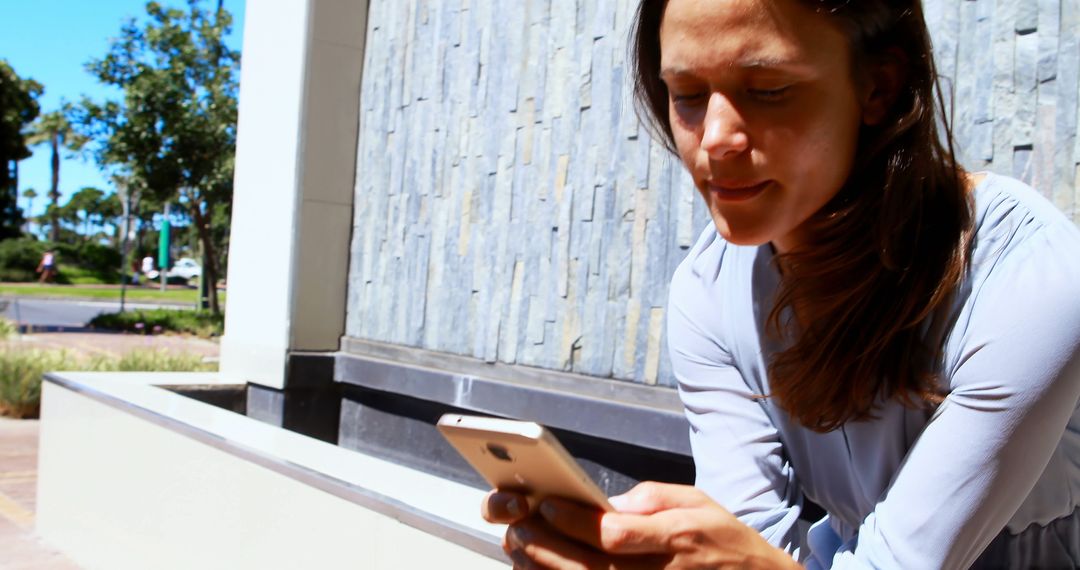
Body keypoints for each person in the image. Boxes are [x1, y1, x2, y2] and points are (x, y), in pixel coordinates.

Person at [483, 0, 1080, 568]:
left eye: (767, 90)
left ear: (878, 86)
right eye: (687, 96)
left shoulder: (1027, 280)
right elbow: (754, 532)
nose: (715, 137)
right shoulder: (711, 292)